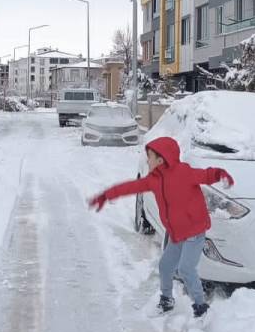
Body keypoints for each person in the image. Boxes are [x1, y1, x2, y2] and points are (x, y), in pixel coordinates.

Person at [89, 136, 234, 318]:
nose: (147, 160)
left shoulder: (184, 172)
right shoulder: (154, 180)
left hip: (195, 231)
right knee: (165, 266)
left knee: (186, 269)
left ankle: (200, 306)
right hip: (177, 233)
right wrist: (106, 195)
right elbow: (130, 187)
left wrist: (220, 174)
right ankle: (166, 299)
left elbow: (205, 175)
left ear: (160, 159)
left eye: (149, 157)